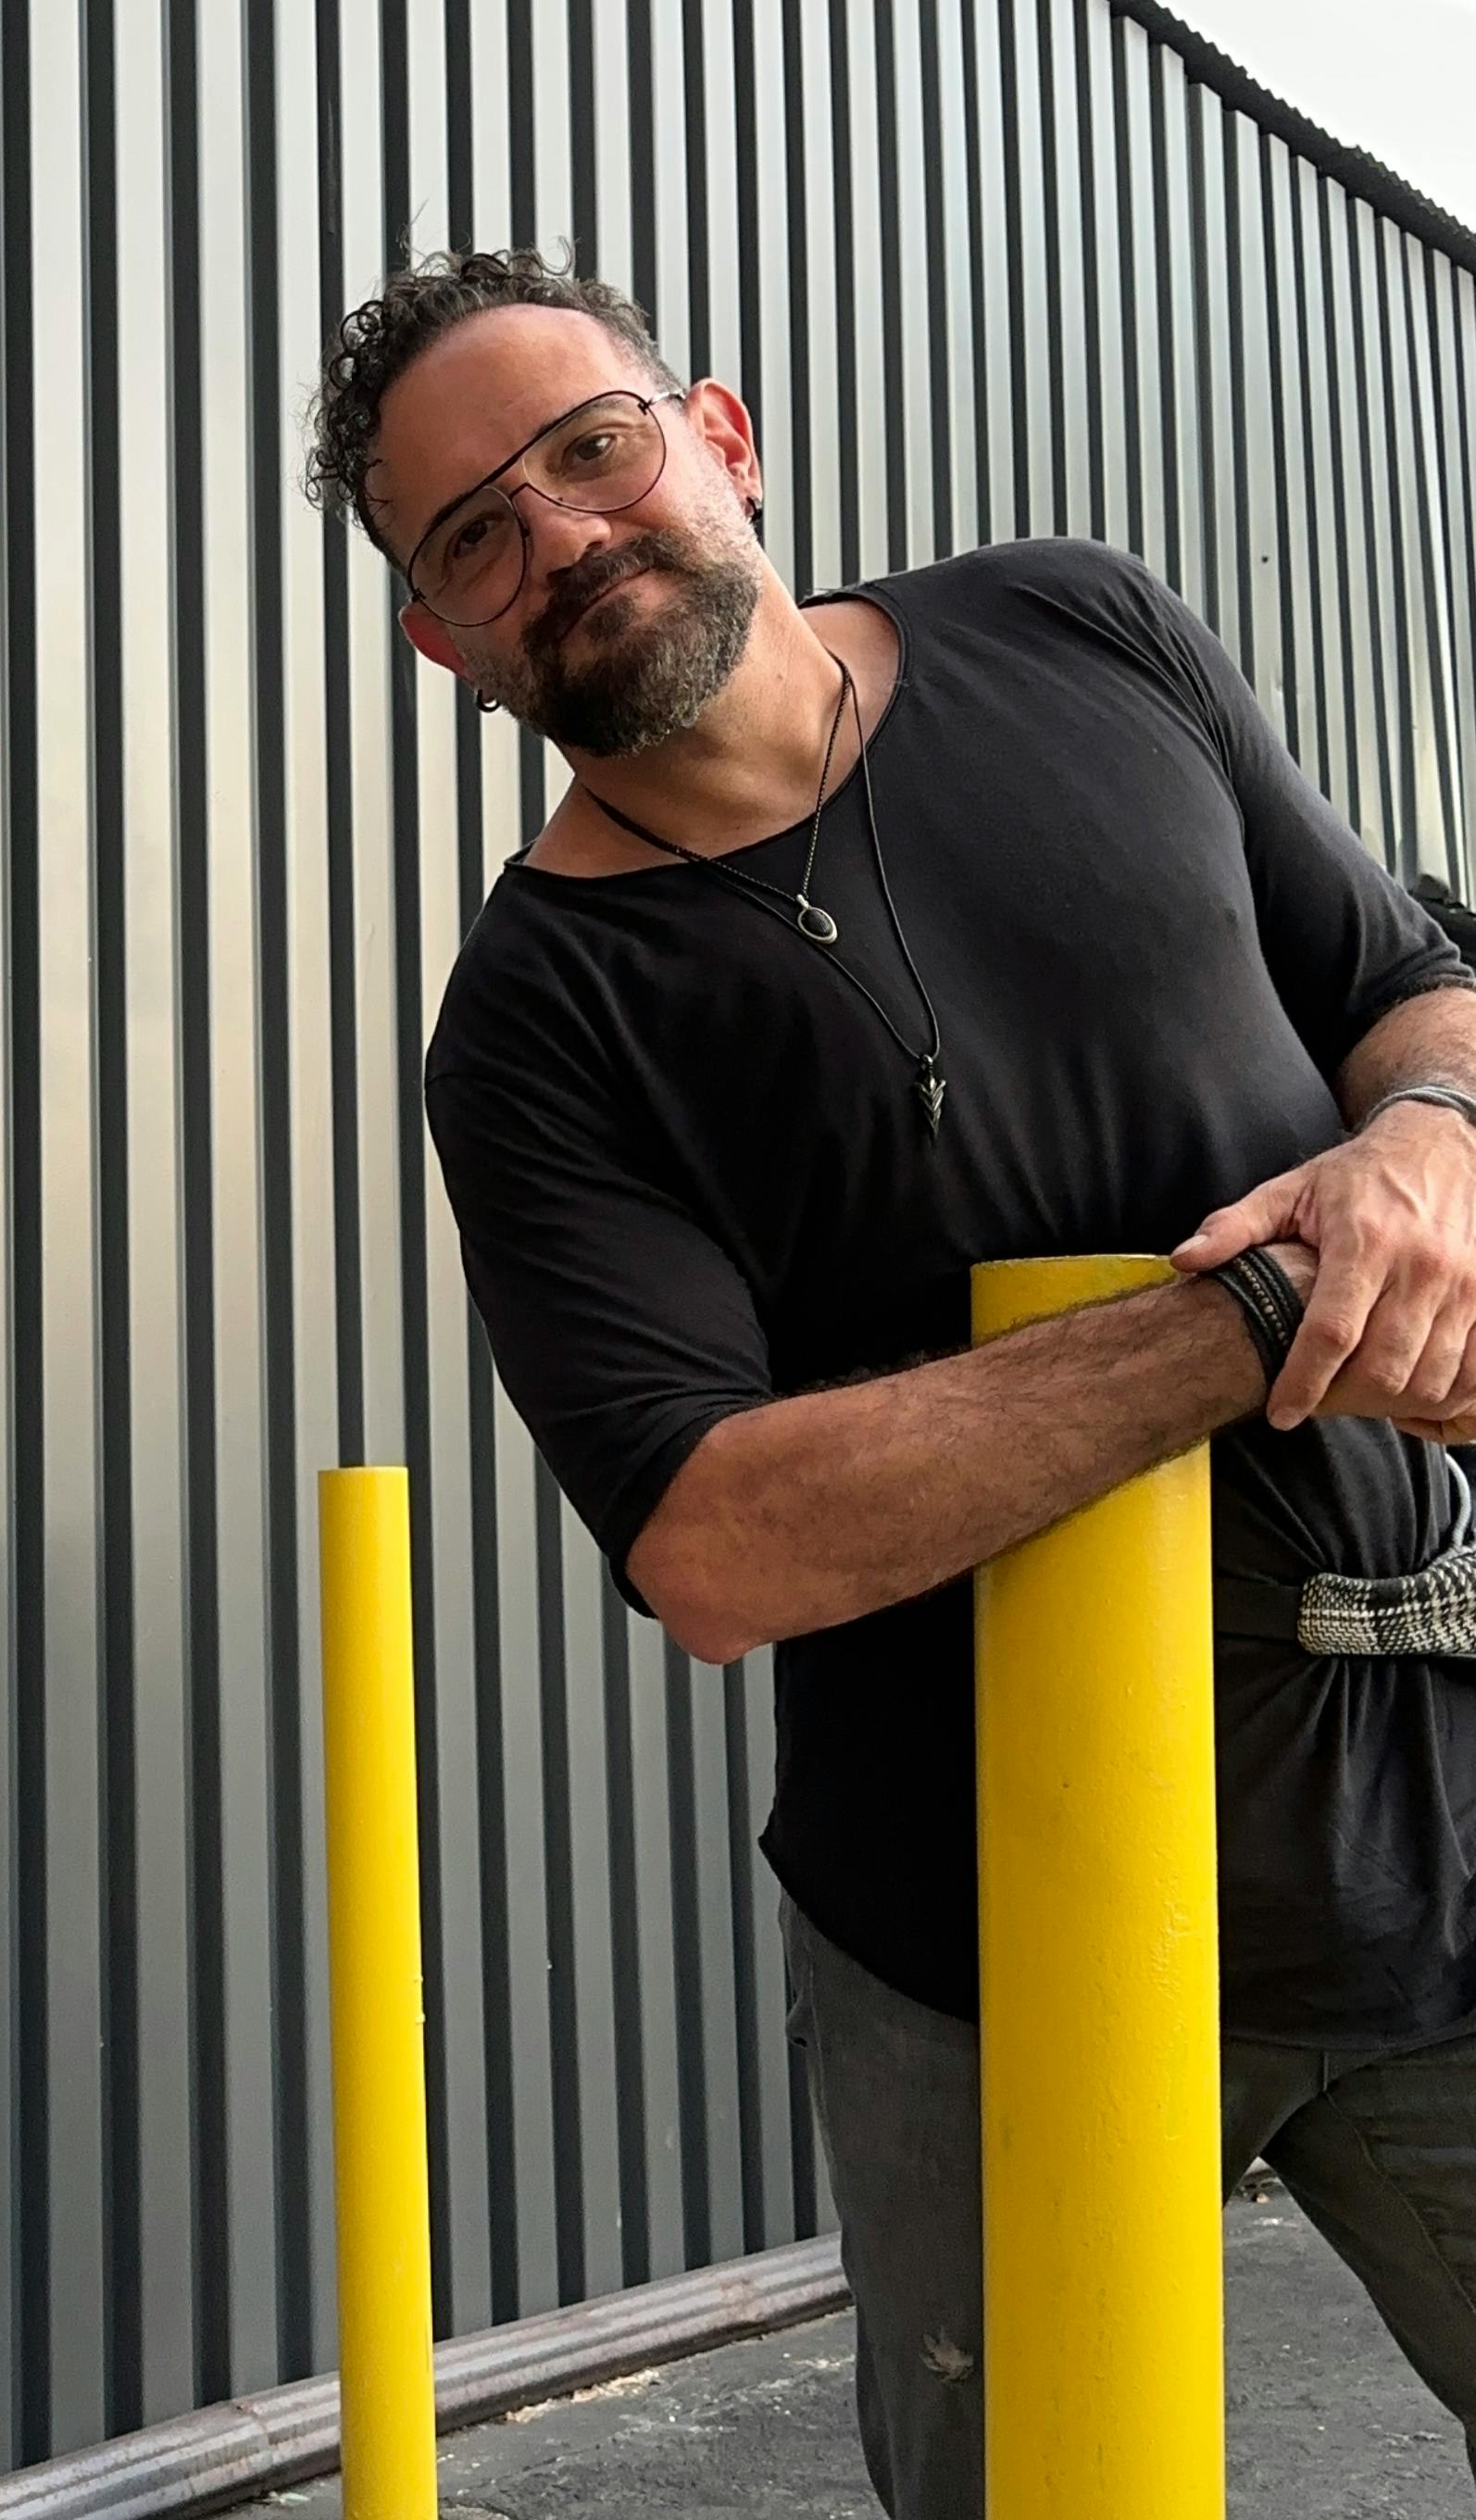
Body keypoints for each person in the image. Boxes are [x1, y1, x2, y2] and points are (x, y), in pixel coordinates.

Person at [306, 246, 1476, 2518]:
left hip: (1427, 1831)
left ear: (718, 436)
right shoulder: (538, 1027)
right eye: (473, 537)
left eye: (590, 449)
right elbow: (716, 1541)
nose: (561, 536)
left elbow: (1398, 977)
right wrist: (1261, 1308)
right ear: (445, 643)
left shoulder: (1076, 628)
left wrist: (1424, 1145)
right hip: (979, 1943)